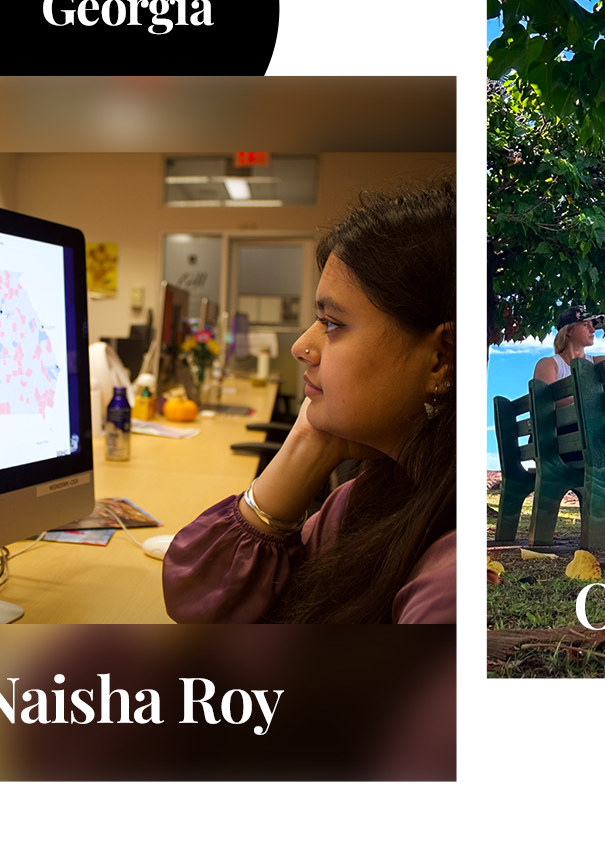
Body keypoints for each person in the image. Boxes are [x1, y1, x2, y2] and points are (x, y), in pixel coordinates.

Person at [163, 180, 454, 623]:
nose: (302, 345)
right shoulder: (366, 500)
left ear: (440, 358)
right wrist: (310, 439)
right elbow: (199, 609)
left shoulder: (450, 586)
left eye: (332, 323)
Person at [532, 305, 605, 454]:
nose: (593, 330)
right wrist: (596, 409)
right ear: (569, 330)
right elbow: (545, 403)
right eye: (586, 325)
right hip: (556, 442)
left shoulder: (601, 362)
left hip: (589, 435)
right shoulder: (549, 364)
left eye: (593, 326)